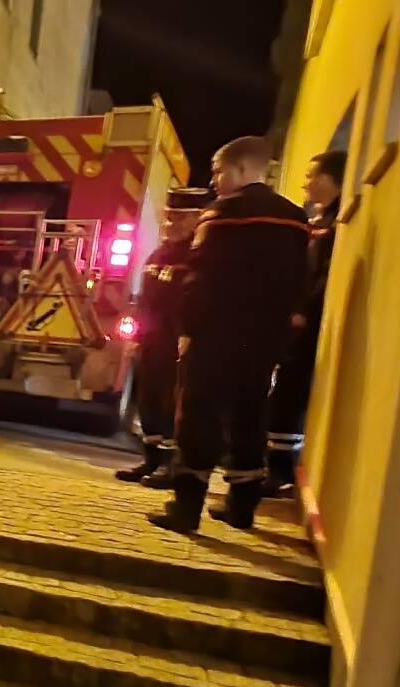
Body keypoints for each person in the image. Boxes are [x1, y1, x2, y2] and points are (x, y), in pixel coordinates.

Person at [149, 136, 310, 532]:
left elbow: (200, 278)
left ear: (242, 169)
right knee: (250, 416)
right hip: (263, 339)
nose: (215, 181)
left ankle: (186, 509)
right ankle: (241, 508)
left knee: (198, 417)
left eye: (219, 171)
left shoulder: (222, 215)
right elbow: (296, 281)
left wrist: (188, 328)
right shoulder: (294, 218)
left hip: (217, 336)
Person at [115, 187, 212, 487]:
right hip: (152, 339)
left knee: (173, 401)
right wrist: (136, 334)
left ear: (197, 220)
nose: (171, 224)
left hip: (177, 340)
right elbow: (145, 298)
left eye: (180, 218)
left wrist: (187, 332)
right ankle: (151, 458)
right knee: (149, 398)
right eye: (169, 218)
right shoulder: (159, 254)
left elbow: (196, 299)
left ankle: (170, 466)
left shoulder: (198, 255)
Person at [265, 150, 344, 498]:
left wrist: (303, 311)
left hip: (307, 327)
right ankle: (276, 468)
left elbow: (323, 277)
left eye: (312, 175)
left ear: (331, 179)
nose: (305, 182)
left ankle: (281, 472)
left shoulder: (334, 225)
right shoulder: (321, 221)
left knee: (290, 397)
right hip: (298, 324)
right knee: (283, 395)